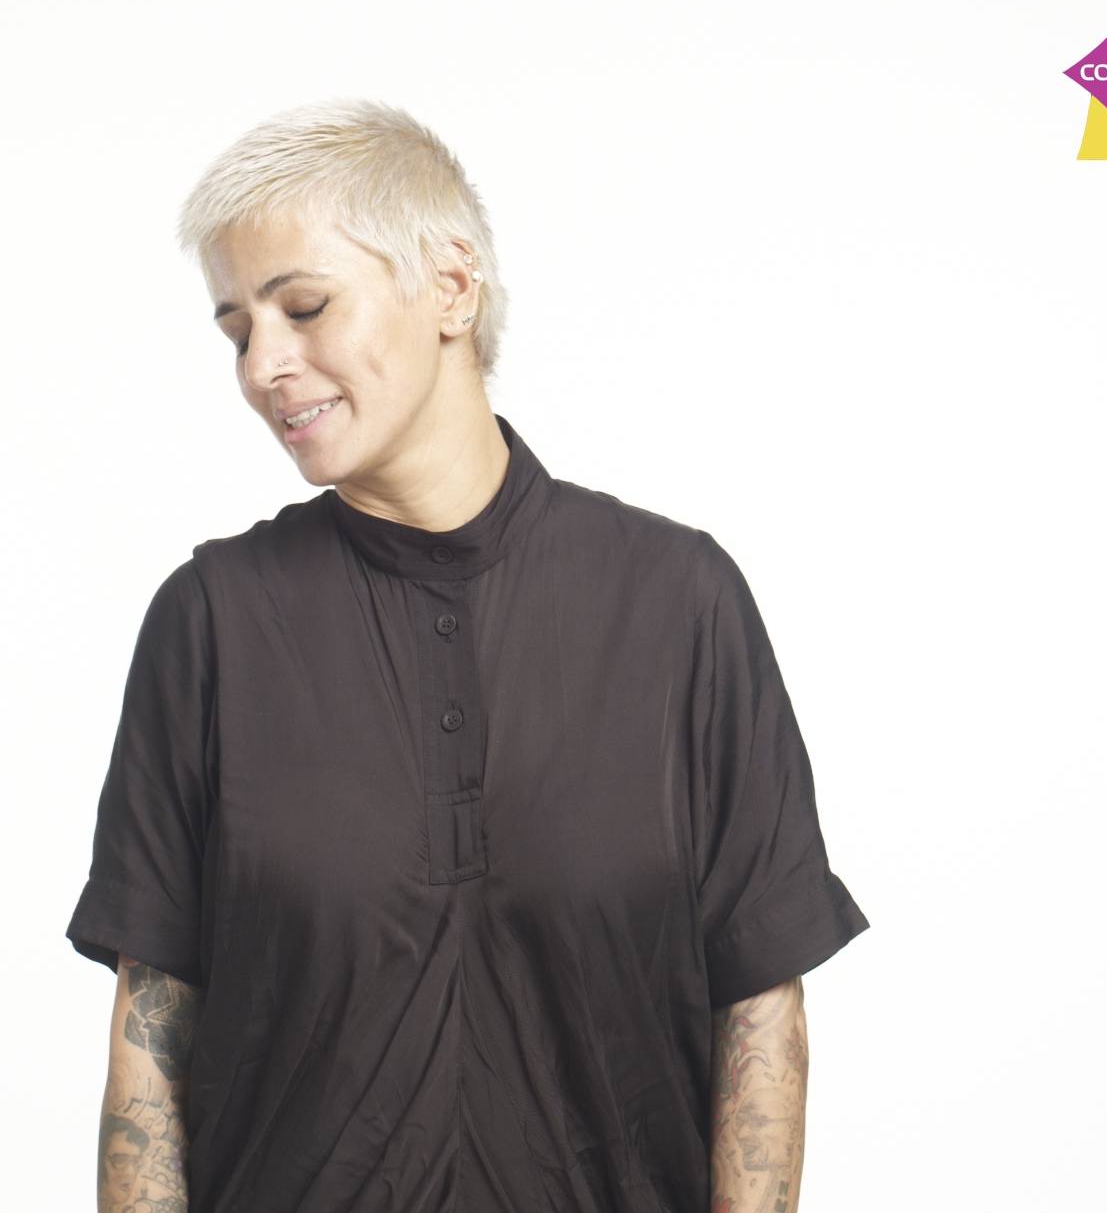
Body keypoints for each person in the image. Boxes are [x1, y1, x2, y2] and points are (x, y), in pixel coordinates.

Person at [66, 97, 870, 1213]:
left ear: (450, 286)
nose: (263, 366)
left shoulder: (678, 603)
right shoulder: (212, 623)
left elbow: (761, 1007)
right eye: (238, 331)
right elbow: (153, 1030)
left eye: (304, 307)